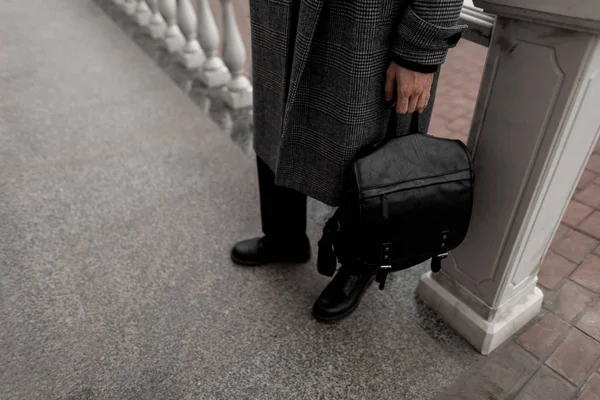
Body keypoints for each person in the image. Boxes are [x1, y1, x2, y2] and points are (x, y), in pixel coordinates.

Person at [231, 0, 467, 322]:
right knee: (276, 121)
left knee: (368, 156)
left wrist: (420, 50)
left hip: (368, 19)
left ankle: (363, 264)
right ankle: (284, 236)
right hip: (278, 10)